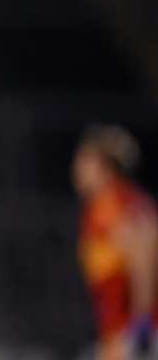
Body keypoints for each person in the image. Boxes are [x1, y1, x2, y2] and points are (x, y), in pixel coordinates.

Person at [73, 125, 158, 360]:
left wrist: (142, 326)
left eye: (84, 162)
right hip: (119, 331)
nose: (76, 170)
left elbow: (143, 264)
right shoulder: (100, 210)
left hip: (138, 331)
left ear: (105, 168)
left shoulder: (120, 207)